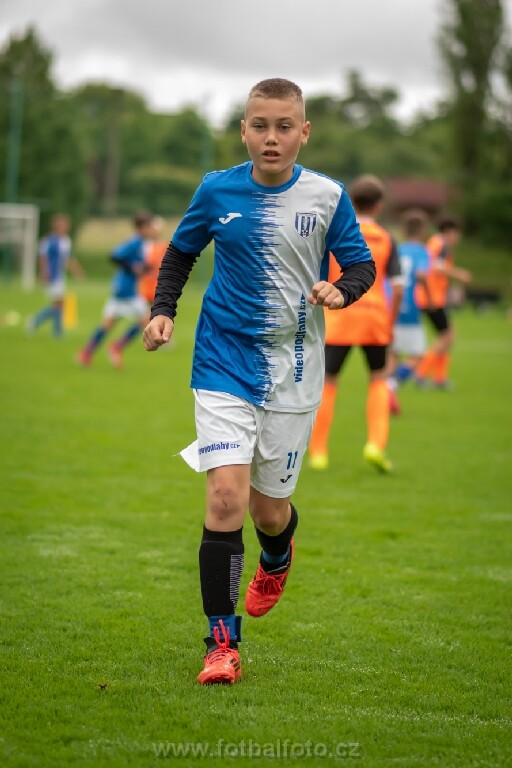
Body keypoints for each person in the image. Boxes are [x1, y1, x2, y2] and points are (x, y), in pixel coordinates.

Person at [143, 78, 376, 685]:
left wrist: (341, 290)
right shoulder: (216, 189)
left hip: (294, 368)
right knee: (225, 497)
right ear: (243, 130)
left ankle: (277, 553)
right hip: (222, 361)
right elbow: (181, 252)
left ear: (304, 132)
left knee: (269, 511)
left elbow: (361, 264)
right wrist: (163, 310)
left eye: (283, 126)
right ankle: (221, 645)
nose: (271, 138)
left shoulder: (327, 196)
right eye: (260, 125)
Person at [308, 175, 404, 474]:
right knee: (378, 379)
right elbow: (398, 286)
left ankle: (319, 452)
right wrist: (390, 319)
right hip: (375, 318)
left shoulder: (339, 232)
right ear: (379, 205)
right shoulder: (386, 238)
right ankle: (375, 445)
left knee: (328, 382)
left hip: (340, 315)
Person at [77, 211, 154, 368]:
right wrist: (132, 268)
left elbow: (135, 264)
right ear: (142, 227)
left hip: (123, 287)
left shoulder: (141, 244)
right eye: (150, 226)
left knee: (109, 323)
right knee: (146, 320)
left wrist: (144, 268)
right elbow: (114, 256)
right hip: (125, 289)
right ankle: (116, 347)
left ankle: (86, 353)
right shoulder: (135, 242)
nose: (152, 229)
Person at [414, 216, 472, 388]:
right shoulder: (442, 244)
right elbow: (437, 267)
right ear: (450, 231)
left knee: (448, 336)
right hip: (432, 298)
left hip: (431, 297)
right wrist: (459, 274)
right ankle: (421, 373)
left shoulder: (434, 242)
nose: (457, 238)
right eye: (457, 234)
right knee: (447, 337)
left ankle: (439, 378)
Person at [387, 210, 432, 406]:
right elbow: (421, 275)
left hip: (392, 305)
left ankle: (383, 394)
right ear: (422, 230)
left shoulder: (397, 249)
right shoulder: (421, 251)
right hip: (410, 307)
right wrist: (429, 297)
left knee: (393, 353)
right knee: (418, 354)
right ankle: (391, 385)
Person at [28, 214, 84, 337]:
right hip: (52, 275)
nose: (66, 227)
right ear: (57, 226)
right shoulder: (49, 240)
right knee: (58, 304)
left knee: (58, 304)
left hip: (60, 276)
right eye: (63, 225)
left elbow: (69, 259)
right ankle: (37, 322)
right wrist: (44, 272)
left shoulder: (66, 241)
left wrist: (78, 272)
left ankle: (54, 330)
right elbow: (43, 257)